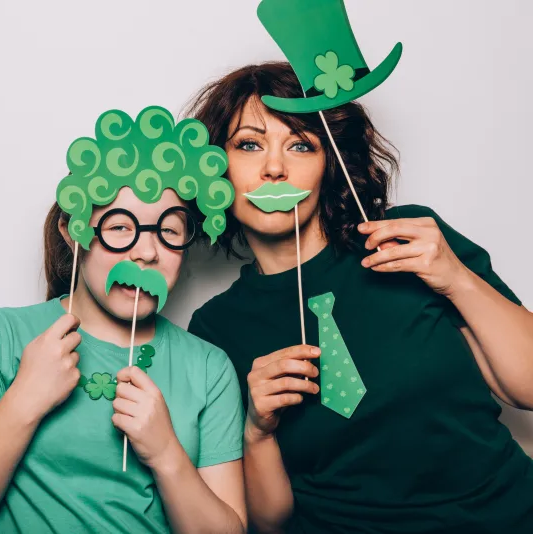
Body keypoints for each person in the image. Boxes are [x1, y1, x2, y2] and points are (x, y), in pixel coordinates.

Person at [185, 62, 533, 534]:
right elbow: (269, 523)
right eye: (249, 144)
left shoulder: (408, 239)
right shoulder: (214, 329)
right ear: (215, 168)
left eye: (301, 144)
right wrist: (257, 430)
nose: (273, 167)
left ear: (330, 165)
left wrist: (456, 279)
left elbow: (526, 388)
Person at [0, 107, 247, 533]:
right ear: (74, 231)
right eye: (119, 227)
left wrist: (167, 453)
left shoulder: (208, 368)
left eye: (168, 230)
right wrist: (24, 399)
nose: (146, 253)